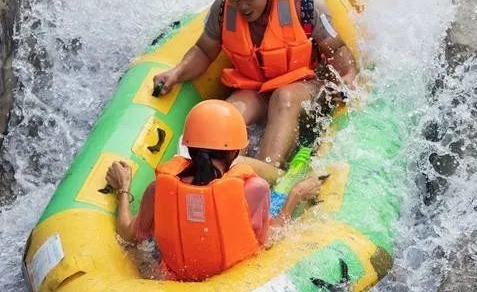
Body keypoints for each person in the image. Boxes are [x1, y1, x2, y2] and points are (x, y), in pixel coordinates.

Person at [153, 0, 357, 175]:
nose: (243, 7)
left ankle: (270, 171)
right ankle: (214, 172)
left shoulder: (305, 6)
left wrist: (348, 75)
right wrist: (176, 73)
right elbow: (203, 50)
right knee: (224, 116)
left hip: (302, 88)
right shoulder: (222, 10)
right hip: (255, 88)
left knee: (284, 97)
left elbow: (337, 49)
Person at [105, 100, 322, 281]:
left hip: (175, 281)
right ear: (236, 152)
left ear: (188, 147)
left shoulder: (158, 189)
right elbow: (269, 240)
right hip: (235, 281)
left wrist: (123, 189)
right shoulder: (253, 188)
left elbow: (129, 234)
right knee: (282, 194)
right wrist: (296, 196)